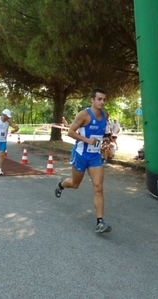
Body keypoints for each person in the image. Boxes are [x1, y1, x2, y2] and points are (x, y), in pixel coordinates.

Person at [54, 88, 112, 234]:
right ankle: (61, 184)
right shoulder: (84, 114)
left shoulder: (105, 115)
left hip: (95, 157)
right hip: (81, 154)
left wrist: (105, 142)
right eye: (99, 99)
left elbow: (105, 134)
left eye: (104, 99)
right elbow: (70, 132)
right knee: (75, 184)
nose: (102, 102)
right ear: (92, 100)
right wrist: (87, 140)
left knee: (98, 187)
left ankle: (100, 222)